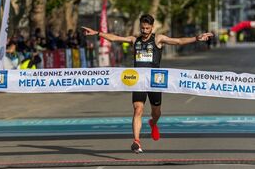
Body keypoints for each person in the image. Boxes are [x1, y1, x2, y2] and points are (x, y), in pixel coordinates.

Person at [82, 14, 213, 153]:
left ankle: (153, 123)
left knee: (156, 113)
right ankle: (136, 141)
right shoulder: (135, 40)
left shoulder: (158, 39)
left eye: (147, 28)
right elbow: (115, 38)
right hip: (138, 81)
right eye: (142, 28)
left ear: (152, 27)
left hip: (155, 81)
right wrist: (97, 33)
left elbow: (179, 41)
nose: (144, 31)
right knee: (138, 109)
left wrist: (196, 38)